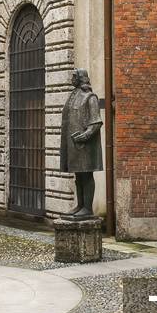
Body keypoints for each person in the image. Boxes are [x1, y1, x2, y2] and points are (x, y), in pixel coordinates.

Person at [60, 68, 103, 217]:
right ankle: (80, 205)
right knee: (78, 176)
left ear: (80, 78)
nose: (71, 79)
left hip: (85, 146)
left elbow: (96, 123)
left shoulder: (90, 97)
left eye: (73, 76)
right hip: (74, 146)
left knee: (86, 175)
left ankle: (88, 209)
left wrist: (84, 136)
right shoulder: (73, 95)